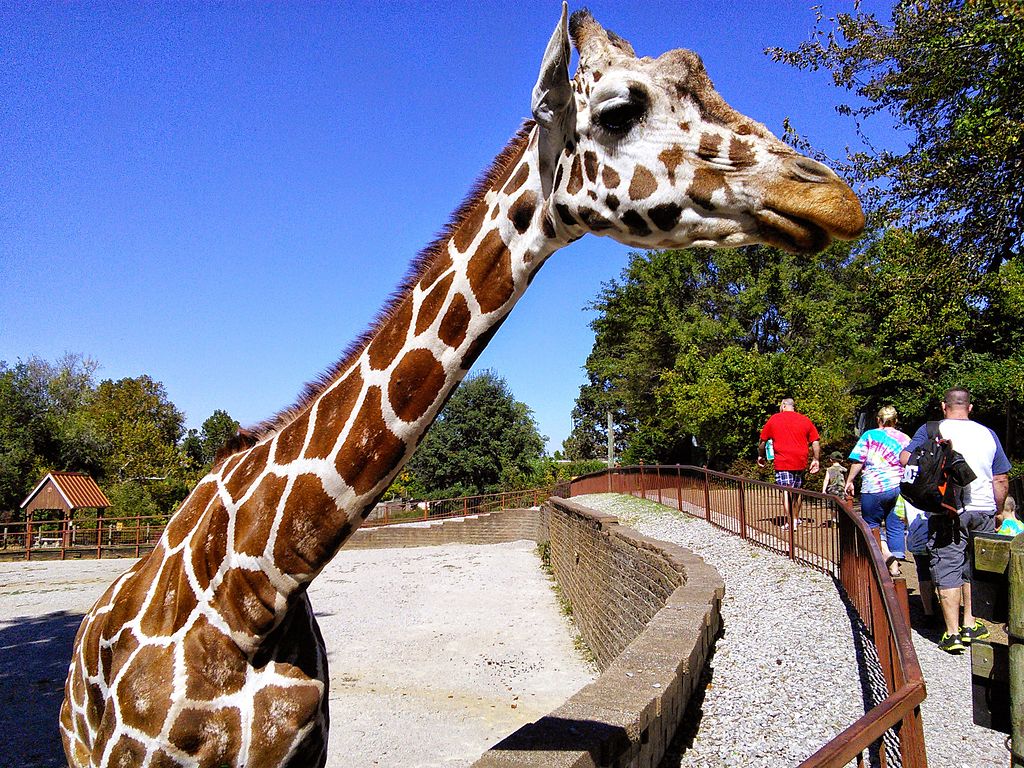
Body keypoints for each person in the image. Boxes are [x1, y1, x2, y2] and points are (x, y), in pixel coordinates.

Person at [900, 388, 1011, 654]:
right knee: (972, 566)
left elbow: (905, 458)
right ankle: (970, 623)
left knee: (947, 562)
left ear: (943, 406)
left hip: (946, 509)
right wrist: (997, 511)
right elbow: (1001, 479)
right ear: (970, 408)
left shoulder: (931, 430)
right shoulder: (988, 434)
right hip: (983, 509)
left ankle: (951, 633)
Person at [844, 406, 911, 578]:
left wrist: (850, 480)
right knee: (896, 525)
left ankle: (887, 556)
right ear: (896, 421)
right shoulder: (905, 438)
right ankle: (895, 564)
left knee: (871, 524)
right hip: (899, 486)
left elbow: (859, 460)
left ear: (878, 420)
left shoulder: (869, 435)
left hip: (875, 486)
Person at [757, 397, 820, 526]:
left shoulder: (774, 419)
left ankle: (790, 521)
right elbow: (815, 441)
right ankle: (796, 519)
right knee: (797, 490)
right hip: (800, 460)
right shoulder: (805, 420)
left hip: (783, 461)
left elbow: (762, 442)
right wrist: (816, 459)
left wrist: (760, 456)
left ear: (783, 405)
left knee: (786, 490)